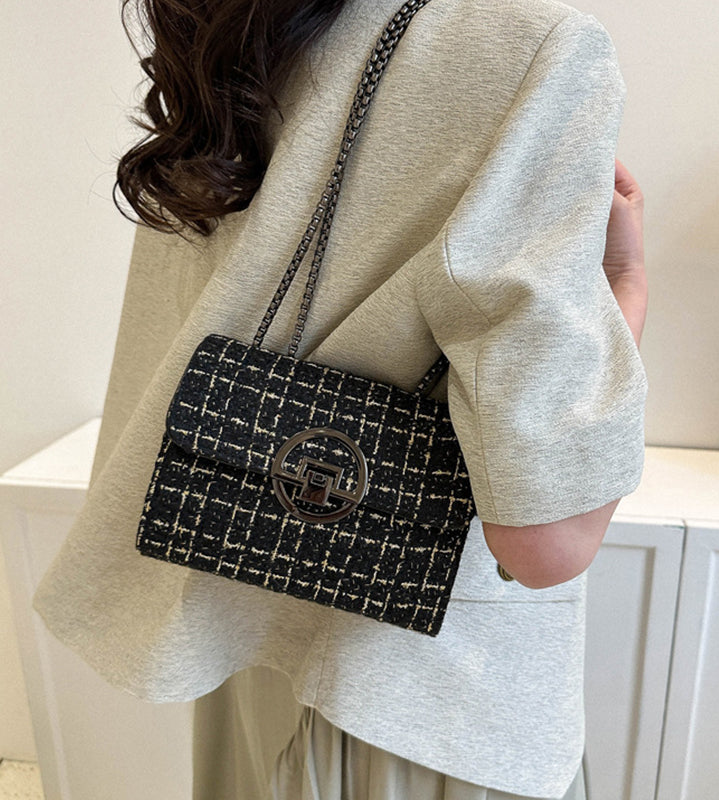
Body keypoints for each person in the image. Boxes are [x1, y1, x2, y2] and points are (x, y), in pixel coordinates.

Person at [32, 1, 648, 799]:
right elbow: (547, 543)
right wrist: (626, 290)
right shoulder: (536, 50)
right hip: (415, 700)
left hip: (235, 627)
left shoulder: (230, 23)